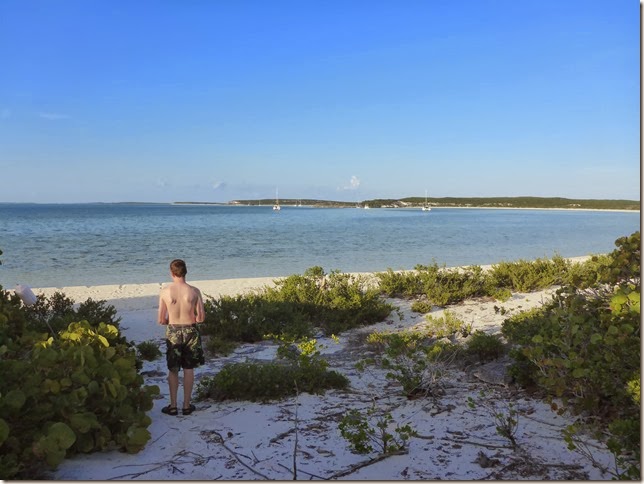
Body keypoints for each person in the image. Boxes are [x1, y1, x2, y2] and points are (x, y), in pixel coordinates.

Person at [157, 259, 205, 416]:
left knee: (173, 369)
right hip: (190, 330)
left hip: (174, 331)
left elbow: (161, 319)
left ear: (171, 273)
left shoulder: (165, 291)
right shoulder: (194, 291)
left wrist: (171, 321)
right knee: (188, 368)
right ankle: (186, 405)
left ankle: (173, 406)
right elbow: (200, 318)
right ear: (186, 272)